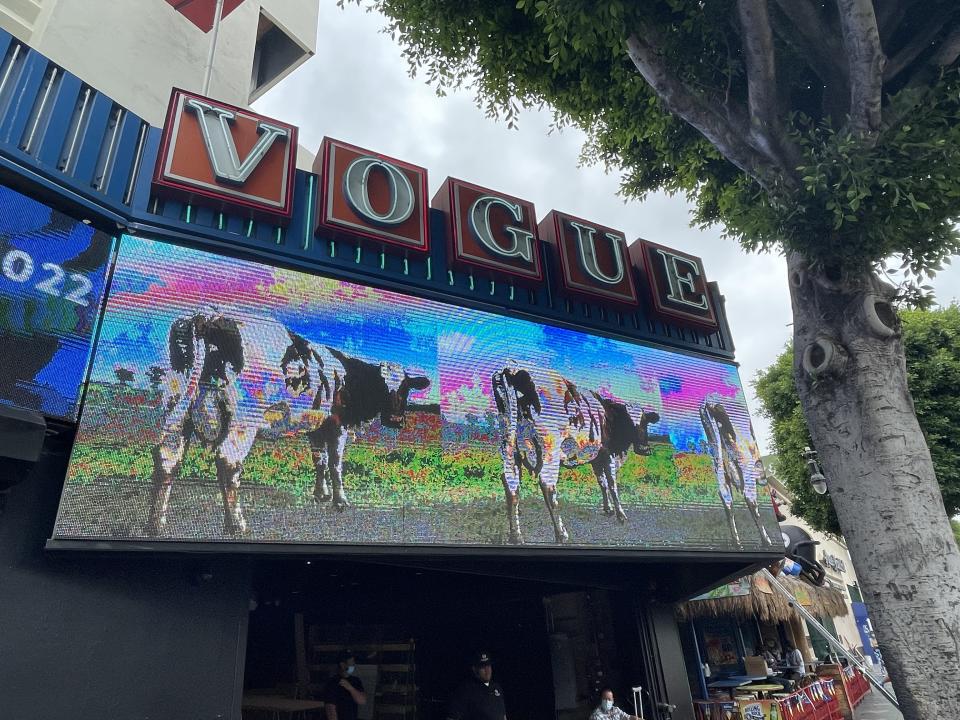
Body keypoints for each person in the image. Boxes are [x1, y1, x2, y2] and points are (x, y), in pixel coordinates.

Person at [447, 651, 507, 720]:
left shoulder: (496, 687)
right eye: (483, 667)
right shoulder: (466, 690)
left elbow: (503, 715)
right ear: (474, 669)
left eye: (488, 666)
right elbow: (452, 717)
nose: (487, 670)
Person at [324, 650, 367, 720]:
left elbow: (362, 701)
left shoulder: (356, 681)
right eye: (351, 663)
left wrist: (350, 688)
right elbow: (330, 709)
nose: (353, 666)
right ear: (343, 665)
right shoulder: (332, 683)